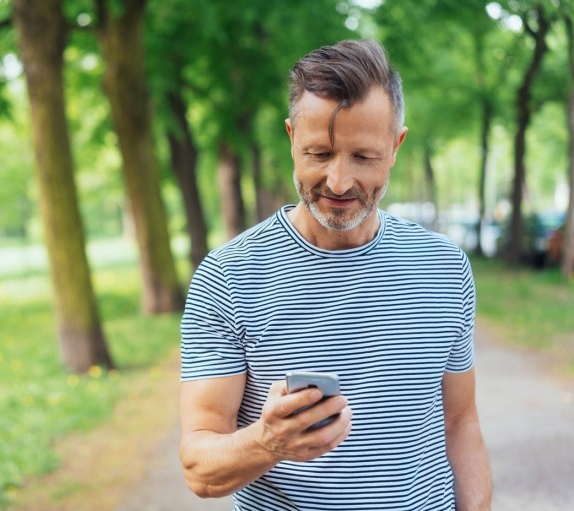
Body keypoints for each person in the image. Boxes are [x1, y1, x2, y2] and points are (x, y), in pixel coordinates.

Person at [179, 39, 492, 510]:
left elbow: (461, 421)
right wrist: (267, 442)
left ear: (395, 146)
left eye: (363, 157)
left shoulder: (444, 266)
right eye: (319, 154)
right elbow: (199, 469)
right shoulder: (228, 277)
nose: (339, 182)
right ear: (290, 138)